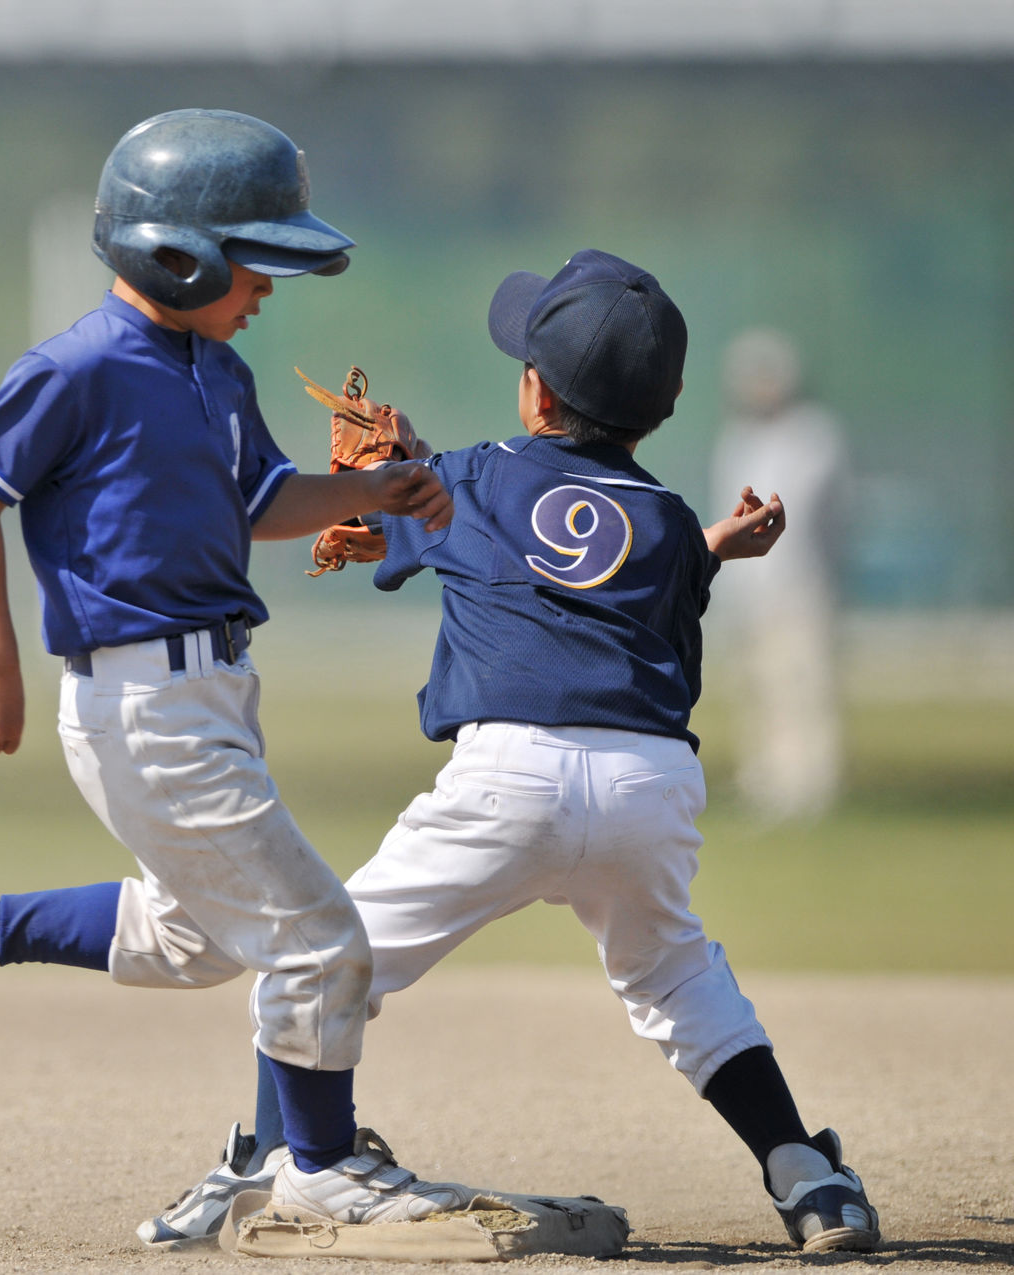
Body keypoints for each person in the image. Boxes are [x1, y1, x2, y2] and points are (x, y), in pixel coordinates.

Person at [141, 250, 881, 1255]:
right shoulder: (668, 523)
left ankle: (274, 1160)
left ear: (534, 392)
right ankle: (808, 1176)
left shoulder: (473, 475)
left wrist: (396, 471)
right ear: (662, 410)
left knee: (318, 959)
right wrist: (712, 545)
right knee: (675, 979)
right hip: (646, 785)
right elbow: (601, 570)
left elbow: (420, 516)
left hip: (508, 781)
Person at [0, 109, 467, 1235]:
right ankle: (321, 1167)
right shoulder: (75, 368)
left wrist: (373, 492)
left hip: (212, 691)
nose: (267, 287)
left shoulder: (218, 370)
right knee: (321, 939)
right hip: (142, 697)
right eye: (254, 262)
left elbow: (264, 502)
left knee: (193, 942)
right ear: (176, 256)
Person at [710, 329, 851, 821]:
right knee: (756, 686)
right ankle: (765, 782)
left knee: (802, 685)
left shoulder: (814, 436)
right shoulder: (738, 438)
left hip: (799, 582)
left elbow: (826, 515)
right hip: (747, 586)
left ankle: (809, 787)